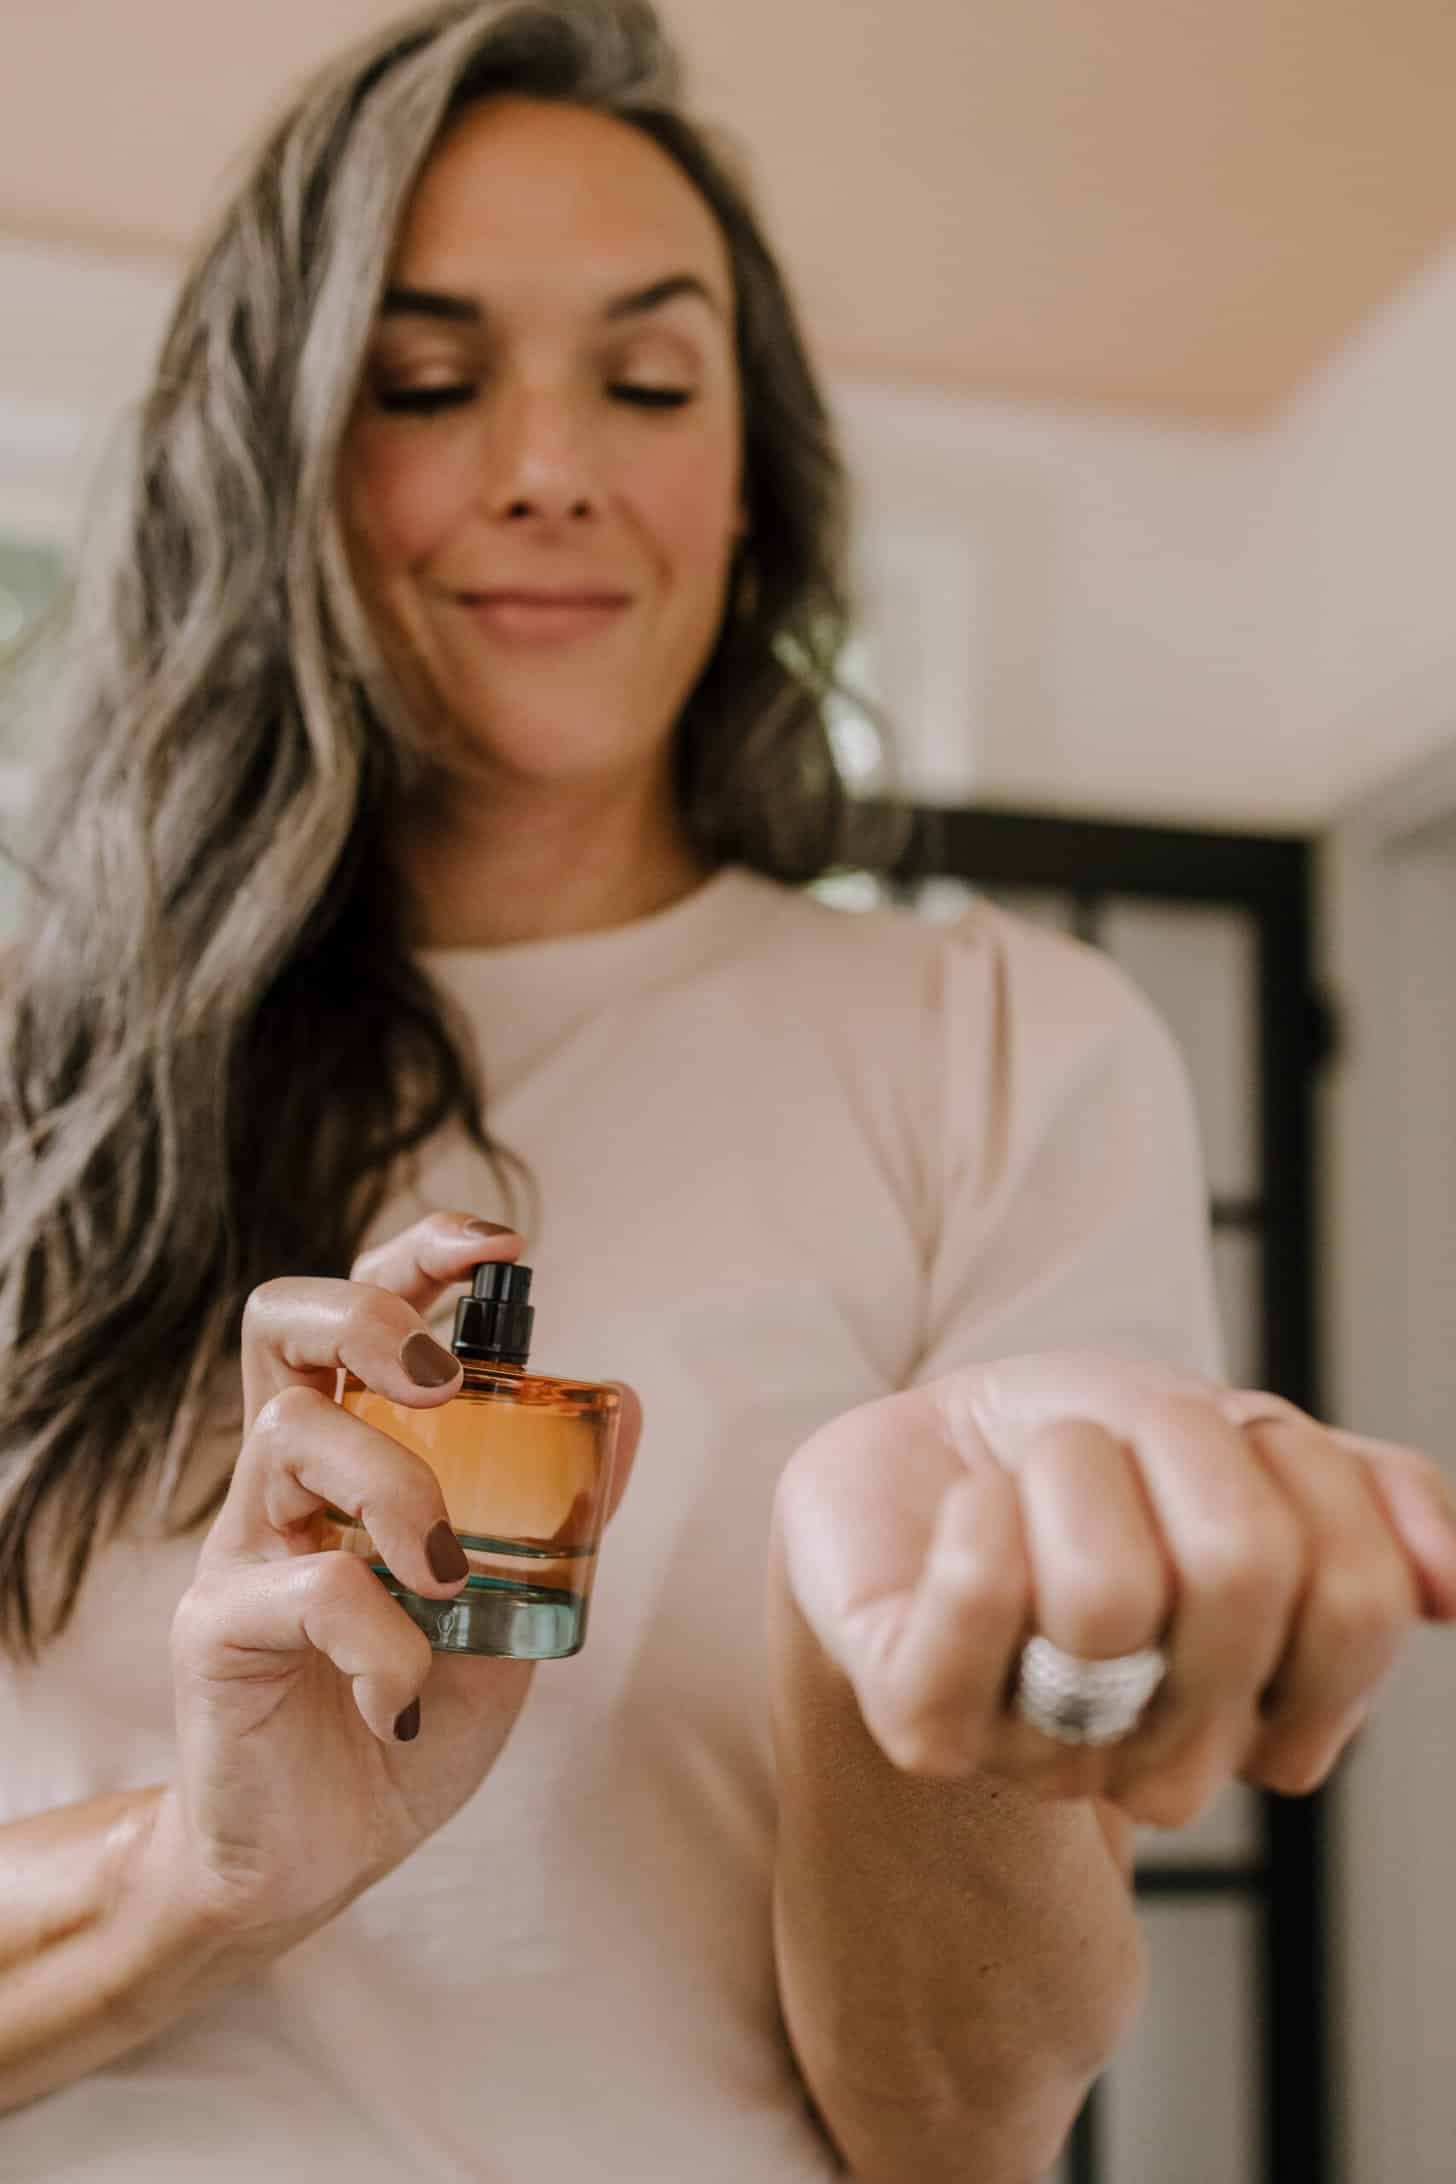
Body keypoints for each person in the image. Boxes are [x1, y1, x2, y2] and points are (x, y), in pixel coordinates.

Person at [1, 3, 1452, 2178]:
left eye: (649, 379)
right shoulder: (41, 1074)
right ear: (275, 460)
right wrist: (197, 1877)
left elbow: (957, 2124)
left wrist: (903, 1672)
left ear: (745, 469)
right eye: (427, 382)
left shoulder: (997, 1042)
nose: (552, 463)